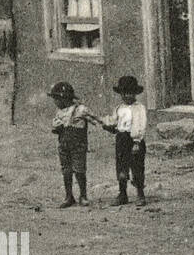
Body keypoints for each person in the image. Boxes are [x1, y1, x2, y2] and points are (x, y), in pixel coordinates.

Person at [48, 81, 102, 208]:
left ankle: (83, 196)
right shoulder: (59, 112)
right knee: (66, 170)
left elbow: (96, 120)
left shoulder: (81, 110)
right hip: (64, 145)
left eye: (56, 99)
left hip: (78, 145)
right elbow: (55, 128)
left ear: (63, 98)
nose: (55, 102)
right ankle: (69, 196)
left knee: (79, 170)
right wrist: (56, 127)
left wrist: (105, 125)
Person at [103, 75, 147, 206]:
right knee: (122, 166)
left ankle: (140, 193)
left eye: (130, 93)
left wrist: (137, 141)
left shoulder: (139, 108)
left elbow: (140, 125)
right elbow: (115, 124)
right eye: (124, 93)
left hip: (134, 140)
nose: (127, 96)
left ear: (135, 94)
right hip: (121, 139)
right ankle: (122, 194)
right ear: (121, 94)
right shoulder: (119, 108)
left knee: (137, 166)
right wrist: (109, 126)